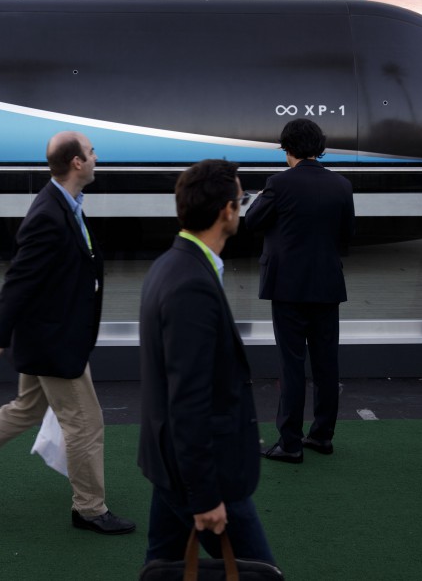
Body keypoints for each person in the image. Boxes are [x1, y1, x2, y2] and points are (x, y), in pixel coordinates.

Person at [0, 130, 135, 535]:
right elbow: (18, 282)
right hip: (54, 342)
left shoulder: (67, 204)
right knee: (85, 423)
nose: (97, 158)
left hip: (49, 335)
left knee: (25, 409)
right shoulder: (48, 213)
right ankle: (89, 509)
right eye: (92, 152)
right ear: (77, 162)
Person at [138, 158, 275, 565]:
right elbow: (189, 398)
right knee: (259, 572)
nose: (241, 208)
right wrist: (204, 496)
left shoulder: (171, 264)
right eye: (241, 200)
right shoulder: (190, 283)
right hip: (202, 477)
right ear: (226, 211)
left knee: (162, 567)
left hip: (173, 467)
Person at [245, 118, 355, 463]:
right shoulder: (341, 185)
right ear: (319, 148)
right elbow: (347, 237)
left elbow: (252, 222)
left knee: (292, 365)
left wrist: (260, 200)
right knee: (326, 364)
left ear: (287, 148)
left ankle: (290, 443)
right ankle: (322, 435)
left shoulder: (278, 183)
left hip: (288, 288)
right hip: (328, 284)